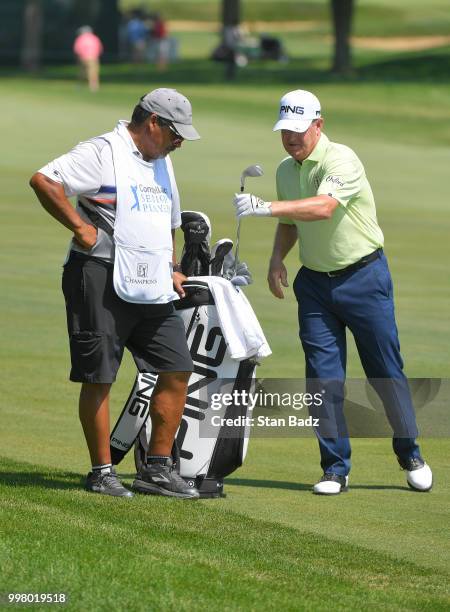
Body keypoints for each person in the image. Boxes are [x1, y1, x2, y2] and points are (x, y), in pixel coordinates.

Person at [232, 89, 433, 495]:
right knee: (322, 380)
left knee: (384, 372)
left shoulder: (342, 158)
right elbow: (292, 220)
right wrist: (276, 260)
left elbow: (322, 207)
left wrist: (263, 206)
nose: (291, 137)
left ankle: (410, 452)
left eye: (299, 130)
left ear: (318, 125)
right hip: (316, 286)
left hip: (364, 278)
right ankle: (335, 469)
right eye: (285, 130)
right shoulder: (287, 170)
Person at [30, 88, 202, 499]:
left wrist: (174, 269)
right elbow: (45, 180)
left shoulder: (162, 162)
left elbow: (168, 221)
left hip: (152, 282)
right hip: (99, 276)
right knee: (100, 375)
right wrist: (81, 227)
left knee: (177, 368)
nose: (179, 142)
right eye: (175, 133)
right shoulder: (102, 152)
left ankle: (156, 470)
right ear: (153, 123)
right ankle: (102, 471)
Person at [73, 26, 103, 92]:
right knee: (93, 72)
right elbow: (100, 48)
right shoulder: (95, 38)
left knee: (82, 72)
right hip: (94, 57)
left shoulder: (80, 38)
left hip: (83, 57)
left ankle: (80, 85)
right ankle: (94, 86)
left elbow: (77, 50)